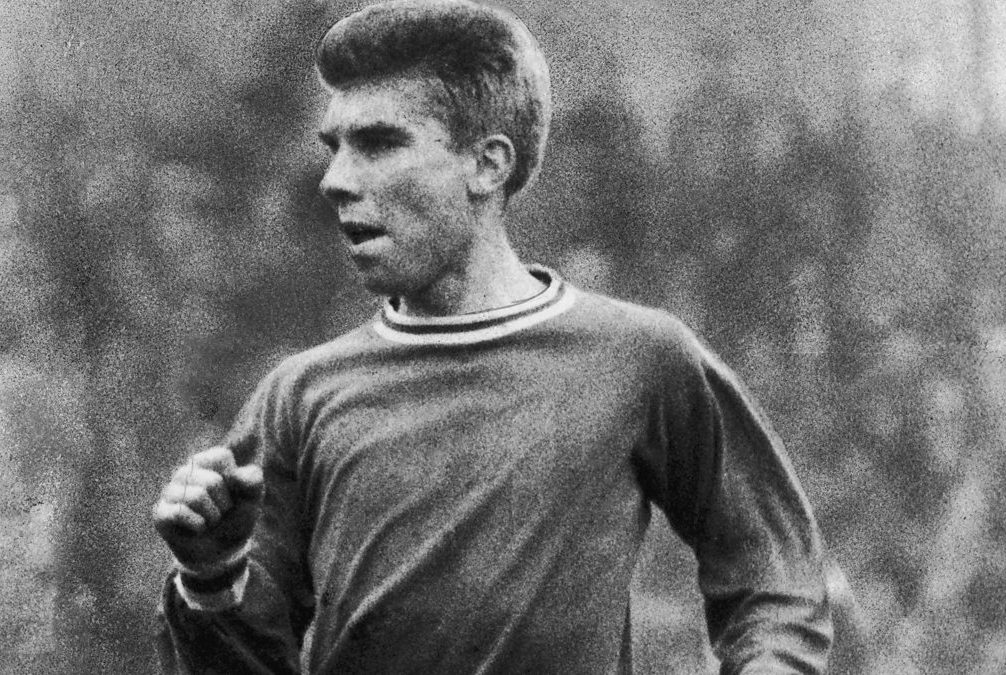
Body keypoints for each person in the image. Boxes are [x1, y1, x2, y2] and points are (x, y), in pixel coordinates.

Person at [152, 1, 838, 672]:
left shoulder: (640, 358)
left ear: (488, 165)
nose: (335, 181)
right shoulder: (299, 398)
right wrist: (210, 577)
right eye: (335, 148)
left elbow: (774, 577)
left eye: (379, 143)